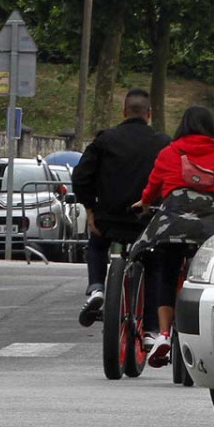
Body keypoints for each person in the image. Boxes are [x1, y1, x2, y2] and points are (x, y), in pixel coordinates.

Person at [131, 106, 214, 367]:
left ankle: (164, 335)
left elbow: (153, 187)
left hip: (172, 219)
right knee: (206, 270)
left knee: (167, 272)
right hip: (207, 222)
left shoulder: (170, 151)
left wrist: (144, 203)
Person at [72, 88, 171, 327]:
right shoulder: (163, 143)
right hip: (147, 221)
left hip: (109, 219)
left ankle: (96, 288)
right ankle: (150, 328)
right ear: (149, 114)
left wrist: (90, 208)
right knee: (154, 264)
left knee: (96, 246)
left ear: (123, 112)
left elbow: (81, 176)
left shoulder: (105, 139)